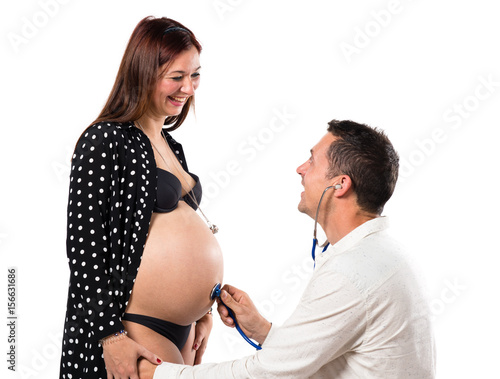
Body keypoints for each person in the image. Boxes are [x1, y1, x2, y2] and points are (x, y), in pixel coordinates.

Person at [142, 120, 436, 378]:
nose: (300, 169)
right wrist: (261, 329)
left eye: (312, 161)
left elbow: (267, 373)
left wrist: (157, 373)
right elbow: (320, 353)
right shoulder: (384, 256)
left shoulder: (352, 274)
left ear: (339, 185)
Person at [59, 16, 224, 379]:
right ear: (144, 73)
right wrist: (110, 334)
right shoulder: (105, 140)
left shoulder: (173, 146)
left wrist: (203, 313)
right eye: (177, 76)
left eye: (195, 75)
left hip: (182, 329)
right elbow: (85, 246)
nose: (189, 88)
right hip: (131, 324)